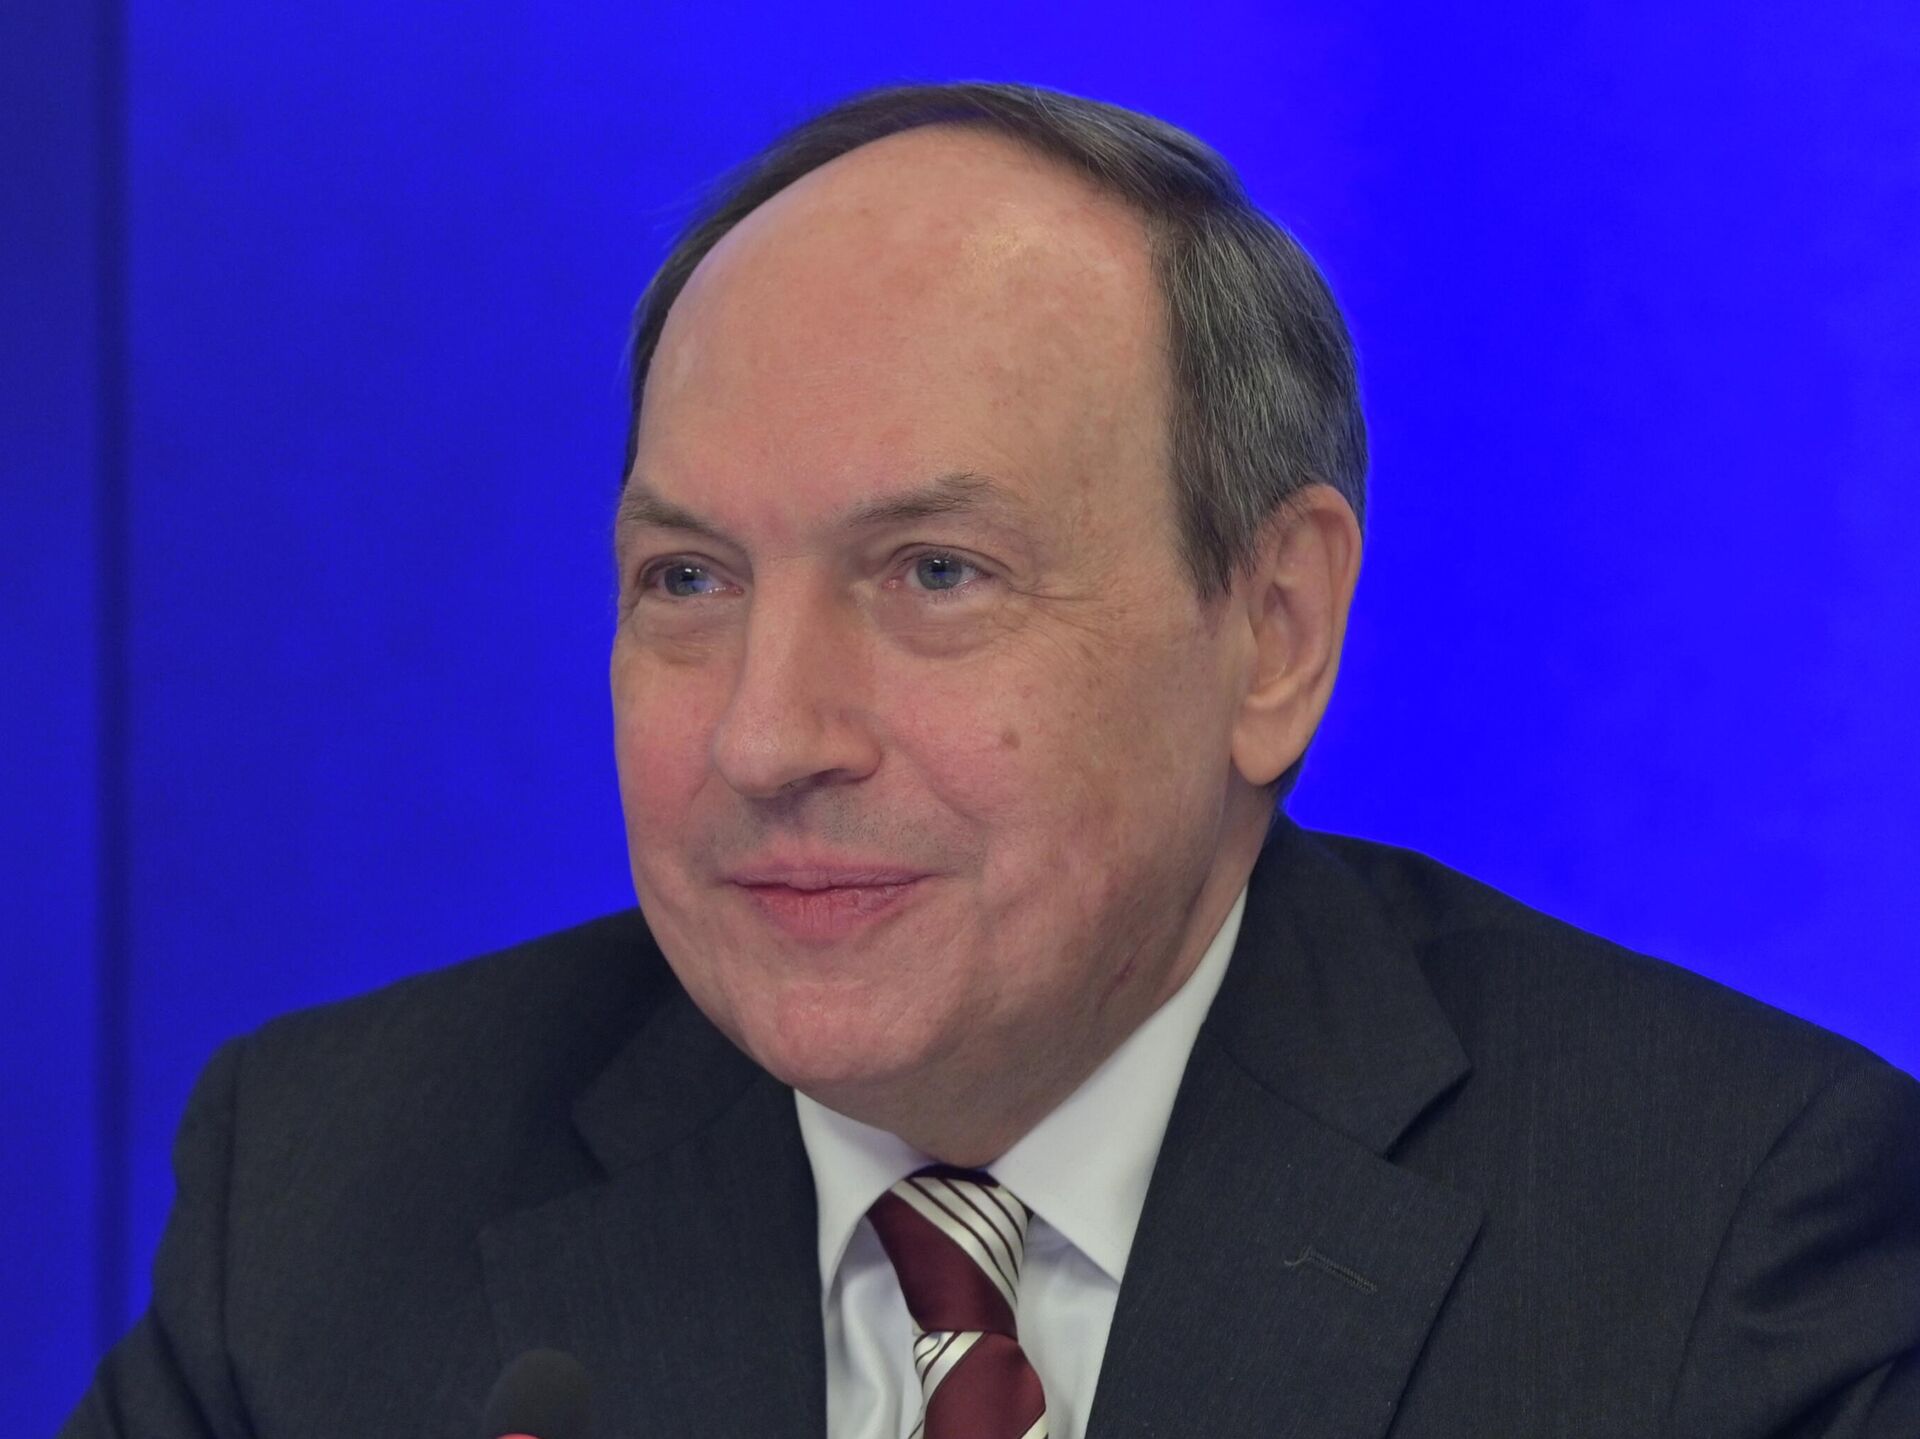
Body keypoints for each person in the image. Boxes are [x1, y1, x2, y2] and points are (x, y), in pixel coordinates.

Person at [63, 81, 1919, 1439]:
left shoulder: (1720, 1237)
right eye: (688, 580)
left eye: (935, 573)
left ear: (1274, 629)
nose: (768, 736)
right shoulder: (327, 1192)